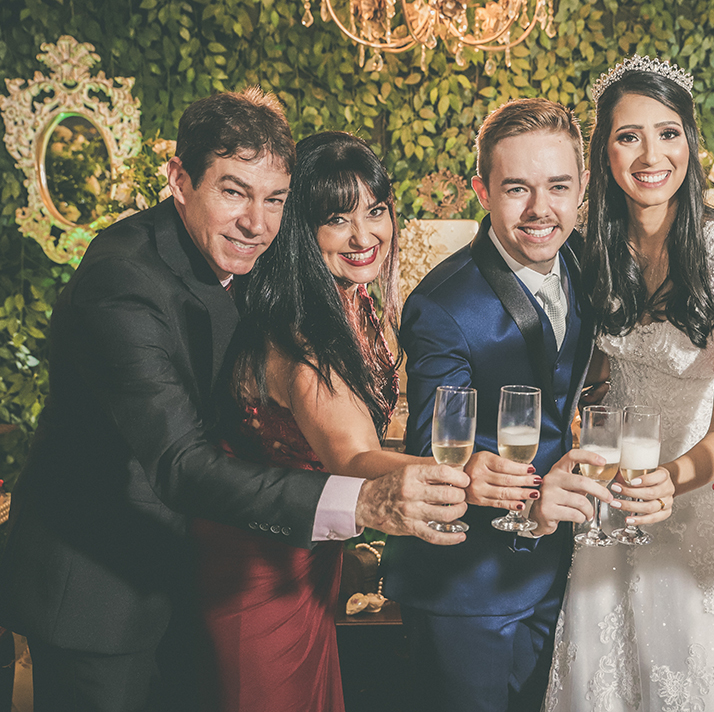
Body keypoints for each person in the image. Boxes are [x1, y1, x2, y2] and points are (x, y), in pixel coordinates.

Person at [0, 90, 469, 712]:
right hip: (100, 587)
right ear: (179, 181)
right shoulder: (122, 280)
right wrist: (359, 499)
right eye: (233, 191)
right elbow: (181, 464)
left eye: (274, 199)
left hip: (204, 574)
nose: (257, 222)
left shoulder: (250, 263)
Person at [538, 56, 714, 711]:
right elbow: (586, 374)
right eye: (628, 136)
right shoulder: (584, 248)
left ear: (691, 144)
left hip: (704, 501)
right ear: (604, 151)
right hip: (613, 508)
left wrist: (669, 480)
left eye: (668, 133)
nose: (651, 155)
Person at [387, 98, 673, 712]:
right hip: (468, 587)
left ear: (583, 188)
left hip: (560, 570)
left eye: (558, 187)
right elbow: (432, 451)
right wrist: (493, 480)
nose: (541, 209)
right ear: (482, 192)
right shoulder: (441, 305)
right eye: (517, 188)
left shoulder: (584, 263)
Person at [192, 131, 422, 711]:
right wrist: (462, 474)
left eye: (375, 211)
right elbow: (353, 457)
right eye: (337, 219)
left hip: (311, 559)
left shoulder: (352, 301)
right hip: (255, 575)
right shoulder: (299, 336)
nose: (364, 236)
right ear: (302, 228)